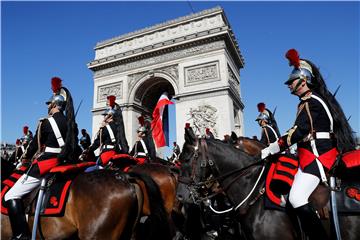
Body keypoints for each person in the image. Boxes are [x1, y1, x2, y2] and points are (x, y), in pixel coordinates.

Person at [261, 49, 356, 239]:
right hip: (309, 154)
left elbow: (299, 131)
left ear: (303, 81)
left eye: (291, 82)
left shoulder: (312, 101)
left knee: (296, 198)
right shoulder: (308, 101)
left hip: (319, 156)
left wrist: (273, 147)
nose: (288, 85)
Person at [4, 76, 79, 239]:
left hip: (46, 164)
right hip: (62, 162)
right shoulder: (71, 123)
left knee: (10, 195)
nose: (48, 107)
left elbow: (33, 148)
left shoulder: (46, 123)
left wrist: (25, 159)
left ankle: (21, 235)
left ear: (53, 104)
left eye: (49, 104)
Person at [86, 99, 129, 167]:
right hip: (116, 153)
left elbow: (97, 143)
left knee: (92, 169)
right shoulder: (118, 128)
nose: (103, 117)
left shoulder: (105, 128)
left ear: (110, 116)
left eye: (105, 115)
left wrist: (89, 150)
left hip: (107, 154)